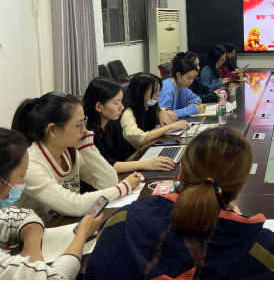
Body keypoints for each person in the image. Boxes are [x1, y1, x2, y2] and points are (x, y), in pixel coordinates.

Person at [85, 127, 274, 280]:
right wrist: (239, 220)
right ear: (238, 190)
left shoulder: (124, 222)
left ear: (180, 172)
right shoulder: (258, 248)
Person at [11, 92, 142, 222]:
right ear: (53, 130)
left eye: (84, 121)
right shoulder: (30, 164)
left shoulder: (70, 152)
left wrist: (88, 149)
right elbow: (76, 205)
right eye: (79, 124)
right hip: (36, 232)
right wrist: (124, 188)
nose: (85, 130)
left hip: (62, 224)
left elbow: (109, 182)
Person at [0, 128, 104, 280]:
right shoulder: (36, 162)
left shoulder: (71, 155)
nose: (84, 130)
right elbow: (56, 277)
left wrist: (32, 247)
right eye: (22, 176)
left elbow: (20, 216)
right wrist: (82, 234)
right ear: (53, 130)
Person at [83, 77, 175, 174]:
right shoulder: (86, 132)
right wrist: (144, 164)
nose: (122, 107)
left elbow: (125, 154)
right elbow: (103, 166)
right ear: (99, 106)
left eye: (121, 101)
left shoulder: (113, 123)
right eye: (116, 103)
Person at [121, 73, 190, 150]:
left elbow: (174, 117)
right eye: (154, 91)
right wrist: (169, 127)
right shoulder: (127, 112)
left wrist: (163, 112)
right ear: (140, 92)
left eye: (158, 90)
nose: (158, 94)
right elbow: (140, 138)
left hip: (149, 147)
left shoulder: (148, 105)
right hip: (137, 153)